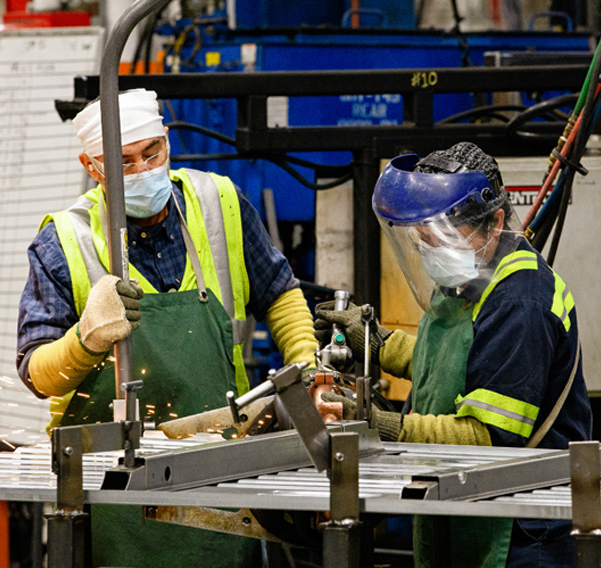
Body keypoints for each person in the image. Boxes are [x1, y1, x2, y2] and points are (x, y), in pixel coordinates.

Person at [17, 88, 317, 568]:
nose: (141, 170)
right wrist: (85, 340)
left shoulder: (219, 203)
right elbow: (36, 373)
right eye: (123, 163)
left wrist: (305, 368)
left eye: (150, 152)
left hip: (221, 471)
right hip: (110, 491)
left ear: (167, 140)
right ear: (91, 166)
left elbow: (279, 293)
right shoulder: (62, 242)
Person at [315, 142, 591, 568]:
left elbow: (488, 437)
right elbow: (454, 363)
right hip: (465, 500)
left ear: (495, 223)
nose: (430, 249)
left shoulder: (521, 300)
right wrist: (376, 343)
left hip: (523, 531)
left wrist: (382, 424)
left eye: (442, 236)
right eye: (422, 237)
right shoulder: (471, 280)